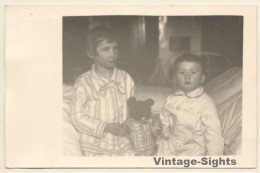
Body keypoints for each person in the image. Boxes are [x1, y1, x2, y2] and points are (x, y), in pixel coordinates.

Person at [70, 26, 135, 156]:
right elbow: (77, 117)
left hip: (122, 143)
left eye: (115, 49)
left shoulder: (126, 79)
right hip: (95, 144)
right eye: (106, 49)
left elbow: (131, 108)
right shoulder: (84, 82)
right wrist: (105, 127)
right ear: (91, 53)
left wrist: (130, 122)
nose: (112, 54)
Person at [157, 53, 224, 156]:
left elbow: (213, 134)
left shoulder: (206, 103)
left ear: (202, 78)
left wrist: (214, 158)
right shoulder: (171, 99)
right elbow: (164, 120)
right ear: (175, 77)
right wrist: (164, 134)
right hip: (170, 147)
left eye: (193, 72)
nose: (187, 76)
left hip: (194, 151)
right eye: (182, 72)